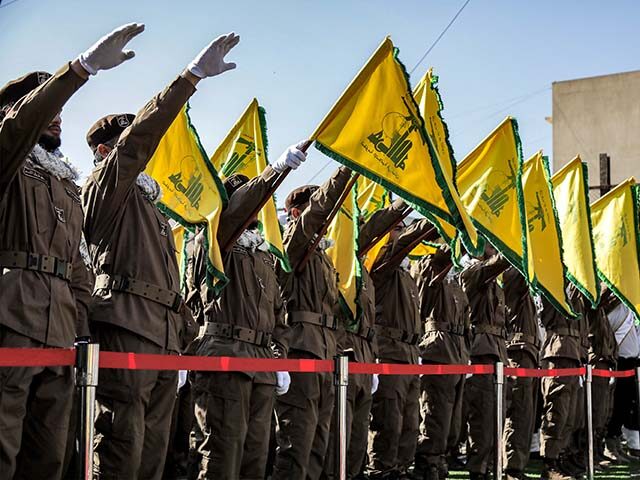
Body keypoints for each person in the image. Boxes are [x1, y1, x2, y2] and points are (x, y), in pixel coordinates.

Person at [81, 31, 240, 479]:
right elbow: (137, 144)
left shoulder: (148, 203)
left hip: (163, 330)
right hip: (127, 322)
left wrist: (183, 329)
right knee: (121, 442)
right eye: (128, 144)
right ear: (104, 150)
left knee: (154, 447)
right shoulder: (105, 187)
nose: (145, 155)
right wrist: (189, 78)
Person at [0, 23, 142, 479]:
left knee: (51, 453)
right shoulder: (8, 157)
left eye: (60, 107)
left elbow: (79, 266)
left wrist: (81, 329)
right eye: (48, 104)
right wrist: (79, 70)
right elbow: (19, 126)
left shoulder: (64, 183)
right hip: (11, 316)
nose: (58, 114)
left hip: (60, 325)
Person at [190, 144, 306, 479]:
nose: (256, 209)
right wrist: (275, 170)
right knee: (223, 452)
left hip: (261, 362)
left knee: (256, 455)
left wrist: (278, 357)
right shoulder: (214, 238)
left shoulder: (262, 254)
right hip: (225, 356)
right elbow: (236, 213)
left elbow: (278, 316)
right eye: (247, 199)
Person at [271, 166, 353, 480]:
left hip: (326, 350)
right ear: (295, 213)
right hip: (301, 349)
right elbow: (313, 218)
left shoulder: (322, 257)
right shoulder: (292, 242)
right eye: (314, 207)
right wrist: (346, 169)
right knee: (297, 438)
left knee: (321, 436)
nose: (326, 218)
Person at [367, 212, 432, 479]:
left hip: (409, 351)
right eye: (396, 228)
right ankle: (382, 469)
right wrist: (430, 216)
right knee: (389, 421)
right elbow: (402, 243)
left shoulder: (405, 274)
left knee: (409, 421)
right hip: (389, 351)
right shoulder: (382, 263)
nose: (400, 232)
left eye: (402, 228)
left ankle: (401, 468)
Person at [412, 245, 470, 480]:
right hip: (438, 348)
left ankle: (440, 458)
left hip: (457, 350)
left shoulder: (455, 279)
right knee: (436, 412)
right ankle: (427, 462)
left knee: (453, 419)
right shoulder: (428, 265)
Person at [460, 247, 510, 480]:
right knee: (482, 418)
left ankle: (490, 466)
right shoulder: (471, 271)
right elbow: (496, 265)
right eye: (490, 243)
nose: (493, 248)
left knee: (496, 417)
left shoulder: (494, 283)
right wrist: (513, 245)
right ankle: (478, 470)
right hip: (481, 352)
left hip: (497, 353)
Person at [538, 284, 588, 480]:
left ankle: (560, 458)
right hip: (558, 351)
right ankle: (549, 464)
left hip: (573, 352)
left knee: (571, 415)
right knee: (557, 410)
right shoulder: (551, 282)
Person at [501, 266, 541, 480]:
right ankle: (511, 466)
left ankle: (517, 465)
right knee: (517, 411)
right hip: (517, 352)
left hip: (529, 352)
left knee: (525, 413)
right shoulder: (511, 276)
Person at [585, 289, 618, 471]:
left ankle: (596, 451)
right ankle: (588, 455)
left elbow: (612, 301)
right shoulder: (592, 304)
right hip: (595, 361)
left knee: (603, 413)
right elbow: (598, 299)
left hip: (605, 361)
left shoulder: (602, 310)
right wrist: (612, 282)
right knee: (594, 412)